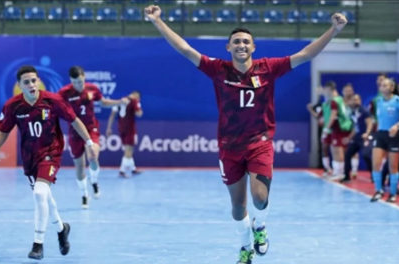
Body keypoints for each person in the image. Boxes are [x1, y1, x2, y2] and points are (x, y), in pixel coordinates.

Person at [145, 4, 347, 263]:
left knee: (260, 199)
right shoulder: (218, 69)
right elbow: (185, 49)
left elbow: (306, 54)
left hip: (259, 142)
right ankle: (244, 247)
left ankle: (260, 227)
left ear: (253, 48)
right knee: (238, 207)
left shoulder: (268, 68)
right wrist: (157, 21)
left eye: (246, 42)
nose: (241, 45)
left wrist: (334, 29)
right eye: (236, 42)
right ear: (228, 48)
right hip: (229, 146)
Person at [0, 66, 98, 259]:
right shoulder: (12, 106)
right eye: (27, 82)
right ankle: (62, 229)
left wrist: (89, 142)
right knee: (46, 198)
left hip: (51, 154)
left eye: (34, 80)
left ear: (39, 81)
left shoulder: (54, 100)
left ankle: (37, 244)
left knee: (40, 194)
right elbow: (3, 130)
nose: (32, 84)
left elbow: (74, 120)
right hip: (30, 158)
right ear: (19, 86)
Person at [58, 66, 128, 209]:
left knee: (93, 156)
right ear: (71, 81)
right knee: (79, 166)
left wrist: (119, 102)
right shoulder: (64, 93)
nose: (79, 85)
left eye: (81, 82)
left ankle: (94, 181)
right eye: (76, 82)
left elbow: (103, 102)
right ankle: (84, 194)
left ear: (84, 78)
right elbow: (55, 109)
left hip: (91, 128)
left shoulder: (92, 89)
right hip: (75, 131)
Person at [370, 78, 399, 203]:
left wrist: (397, 126)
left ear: (392, 88)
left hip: (394, 136)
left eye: (386, 85)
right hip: (381, 135)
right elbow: (375, 118)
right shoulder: (378, 101)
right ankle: (378, 191)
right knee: (376, 164)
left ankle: (392, 193)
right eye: (382, 85)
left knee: (393, 166)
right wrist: (369, 132)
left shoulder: (398, 101)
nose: (383, 87)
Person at [106, 91, 143, 178]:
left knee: (129, 149)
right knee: (128, 150)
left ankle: (133, 169)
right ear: (136, 96)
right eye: (138, 98)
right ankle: (122, 171)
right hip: (130, 129)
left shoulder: (119, 101)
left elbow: (112, 115)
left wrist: (109, 128)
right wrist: (138, 106)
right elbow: (139, 114)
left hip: (121, 129)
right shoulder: (134, 102)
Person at [321, 81, 353, 181]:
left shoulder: (334, 101)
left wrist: (326, 129)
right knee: (336, 150)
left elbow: (333, 115)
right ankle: (337, 172)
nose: (324, 92)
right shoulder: (340, 99)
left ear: (330, 89)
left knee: (337, 151)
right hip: (342, 127)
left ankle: (339, 173)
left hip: (338, 127)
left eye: (325, 90)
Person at [342, 94, 373, 182]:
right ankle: (346, 176)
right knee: (348, 154)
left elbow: (370, 123)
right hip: (357, 138)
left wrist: (367, 133)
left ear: (360, 101)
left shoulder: (364, 111)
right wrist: (349, 138)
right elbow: (356, 127)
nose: (355, 102)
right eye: (353, 100)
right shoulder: (353, 112)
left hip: (365, 137)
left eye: (357, 100)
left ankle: (374, 176)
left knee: (366, 155)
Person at [306, 88, 332, 176]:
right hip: (324, 130)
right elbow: (318, 117)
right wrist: (311, 110)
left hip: (334, 129)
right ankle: (326, 169)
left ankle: (338, 171)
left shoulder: (334, 103)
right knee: (324, 148)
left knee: (336, 149)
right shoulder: (323, 105)